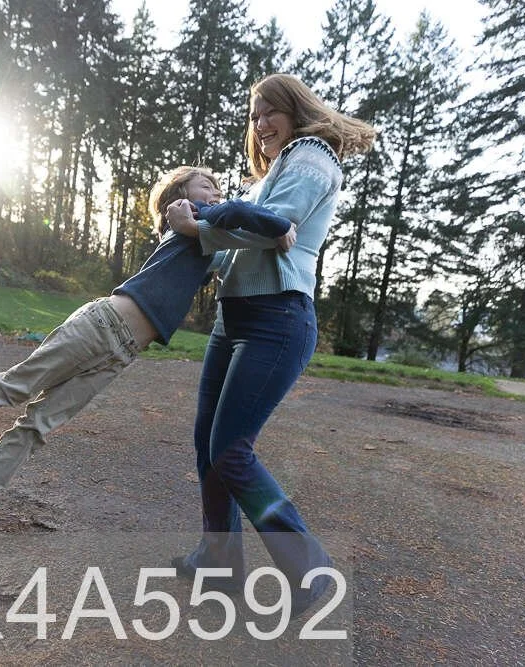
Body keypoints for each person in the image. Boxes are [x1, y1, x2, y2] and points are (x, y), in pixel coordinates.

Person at [0, 165, 299, 559]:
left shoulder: (200, 234)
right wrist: (280, 225)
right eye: (206, 185)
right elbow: (237, 213)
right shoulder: (187, 214)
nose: (215, 192)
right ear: (180, 194)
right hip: (102, 325)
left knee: (40, 425)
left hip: (122, 352)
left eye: (217, 188)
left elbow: (233, 241)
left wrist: (264, 230)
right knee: (17, 385)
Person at [165, 73, 376, 614]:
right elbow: (236, 242)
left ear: (295, 110)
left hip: (277, 319)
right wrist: (184, 232)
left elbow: (272, 227)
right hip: (234, 317)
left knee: (231, 450)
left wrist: (197, 223)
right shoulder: (272, 172)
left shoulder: (310, 155)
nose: (260, 125)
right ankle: (219, 561)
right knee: (208, 445)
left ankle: (309, 565)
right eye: (254, 117)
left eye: (269, 112)